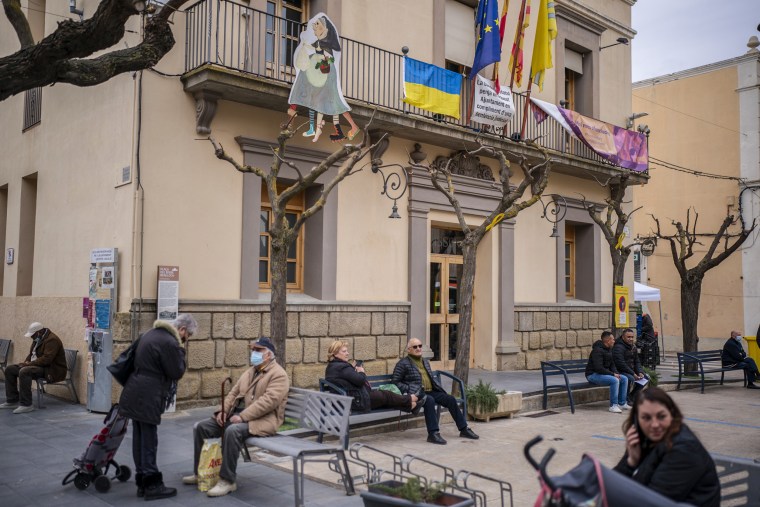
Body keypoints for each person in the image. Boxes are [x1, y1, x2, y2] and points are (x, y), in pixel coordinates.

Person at [182, 336, 289, 498]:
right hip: (241, 416)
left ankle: (227, 480)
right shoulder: (250, 371)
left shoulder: (279, 375)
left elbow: (269, 402)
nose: (253, 352)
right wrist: (223, 411)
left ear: (268, 354)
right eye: (253, 349)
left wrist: (243, 416)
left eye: (258, 350)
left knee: (233, 431)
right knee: (202, 427)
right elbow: (233, 393)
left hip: (264, 421)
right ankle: (201, 473)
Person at [119, 315, 196, 500]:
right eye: (188, 336)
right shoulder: (170, 342)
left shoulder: (151, 333)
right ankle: (152, 485)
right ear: (183, 330)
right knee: (149, 439)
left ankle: (142, 482)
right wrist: (182, 351)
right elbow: (176, 371)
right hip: (148, 393)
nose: (186, 340)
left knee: (139, 436)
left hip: (135, 390)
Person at [614, 388, 720, 506]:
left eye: (661, 416)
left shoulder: (684, 449)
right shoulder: (644, 439)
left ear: (672, 415)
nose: (654, 425)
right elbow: (610, 487)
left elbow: (654, 501)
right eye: (646, 418)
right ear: (636, 421)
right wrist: (630, 462)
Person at [391, 338, 478, 445]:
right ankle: (433, 434)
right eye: (415, 347)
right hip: (417, 394)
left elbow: (429, 378)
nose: (418, 348)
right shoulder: (403, 363)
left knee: (450, 399)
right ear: (409, 350)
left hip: (430, 391)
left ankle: (464, 429)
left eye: (420, 346)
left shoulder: (425, 362)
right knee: (430, 400)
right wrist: (409, 389)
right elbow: (395, 382)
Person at [288, 13, 359, 143]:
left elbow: (328, 58)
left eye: (317, 25)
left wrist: (321, 59)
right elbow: (312, 50)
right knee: (330, 101)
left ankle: (295, 112)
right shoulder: (318, 42)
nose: (315, 27)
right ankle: (332, 129)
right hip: (321, 73)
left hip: (326, 74)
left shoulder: (325, 43)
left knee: (334, 101)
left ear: (325, 29)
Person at [324, 340, 419, 413]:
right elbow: (360, 380)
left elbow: (347, 380)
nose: (347, 353)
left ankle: (410, 406)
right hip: (356, 400)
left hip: (350, 398)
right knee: (386, 395)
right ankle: (411, 399)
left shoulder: (334, 366)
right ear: (335, 354)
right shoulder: (342, 367)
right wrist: (361, 371)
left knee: (385, 398)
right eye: (344, 351)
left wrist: (352, 370)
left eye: (347, 351)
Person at [0, 322, 66, 414]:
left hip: (50, 370)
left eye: (32, 335)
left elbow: (47, 359)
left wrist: (28, 364)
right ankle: (12, 400)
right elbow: (32, 354)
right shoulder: (38, 338)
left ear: (39, 332)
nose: (31, 337)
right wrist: (26, 362)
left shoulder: (52, 340)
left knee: (24, 371)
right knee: (10, 369)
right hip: (38, 366)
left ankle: (26, 404)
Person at [585, 330, 629, 413]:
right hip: (592, 375)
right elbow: (599, 368)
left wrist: (616, 373)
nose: (614, 341)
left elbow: (612, 365)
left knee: (624, 378)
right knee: (614, 380)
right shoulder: (597, 351)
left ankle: (622, 403)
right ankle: (613, 405)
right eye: (612, 339)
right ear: (607, 341)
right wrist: (613, 375)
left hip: (603, 374)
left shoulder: (609, 349)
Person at [613, 328, 648, 404]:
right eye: (628, 337)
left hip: (630, 370)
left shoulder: (633, 347)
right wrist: (633, 373)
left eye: (632, 337)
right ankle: (625, 398)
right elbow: (621, 364)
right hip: (620, 370)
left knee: (645, 378)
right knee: (629, 378)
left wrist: (640, 372)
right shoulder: (618, 347)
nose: (631, 339)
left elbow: (637, 361)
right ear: (623, 337)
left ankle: (631, 396)